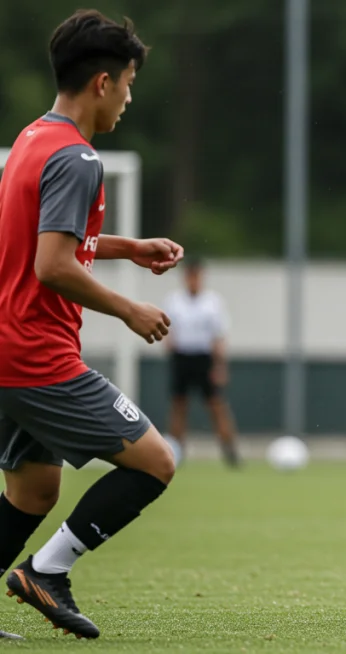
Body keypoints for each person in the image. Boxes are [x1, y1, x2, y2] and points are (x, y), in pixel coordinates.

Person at [0, 10, 182, 640]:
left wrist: (125, 247)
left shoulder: (33, 138)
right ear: (103, 82)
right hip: (37, 356)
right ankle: (46, 571)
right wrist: (130, 309)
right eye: (128, 83)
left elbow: (39, 239)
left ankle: (41, 569)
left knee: (33, 491)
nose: (128, 98)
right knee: (156, 462)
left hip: (8, 347)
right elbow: (51, 265)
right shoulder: (77, 158)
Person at [163, 258, 240, 467]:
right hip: (181, 357)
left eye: (196, 276)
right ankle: (175, 452)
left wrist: (219, 365)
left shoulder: (212, 303)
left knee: (216, 406)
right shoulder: (174, 301)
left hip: (204, 358)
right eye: (190, 276)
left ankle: (230, 451)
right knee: (179, 406)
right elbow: (169, 333)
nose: (193, 280)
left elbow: (219, 336)